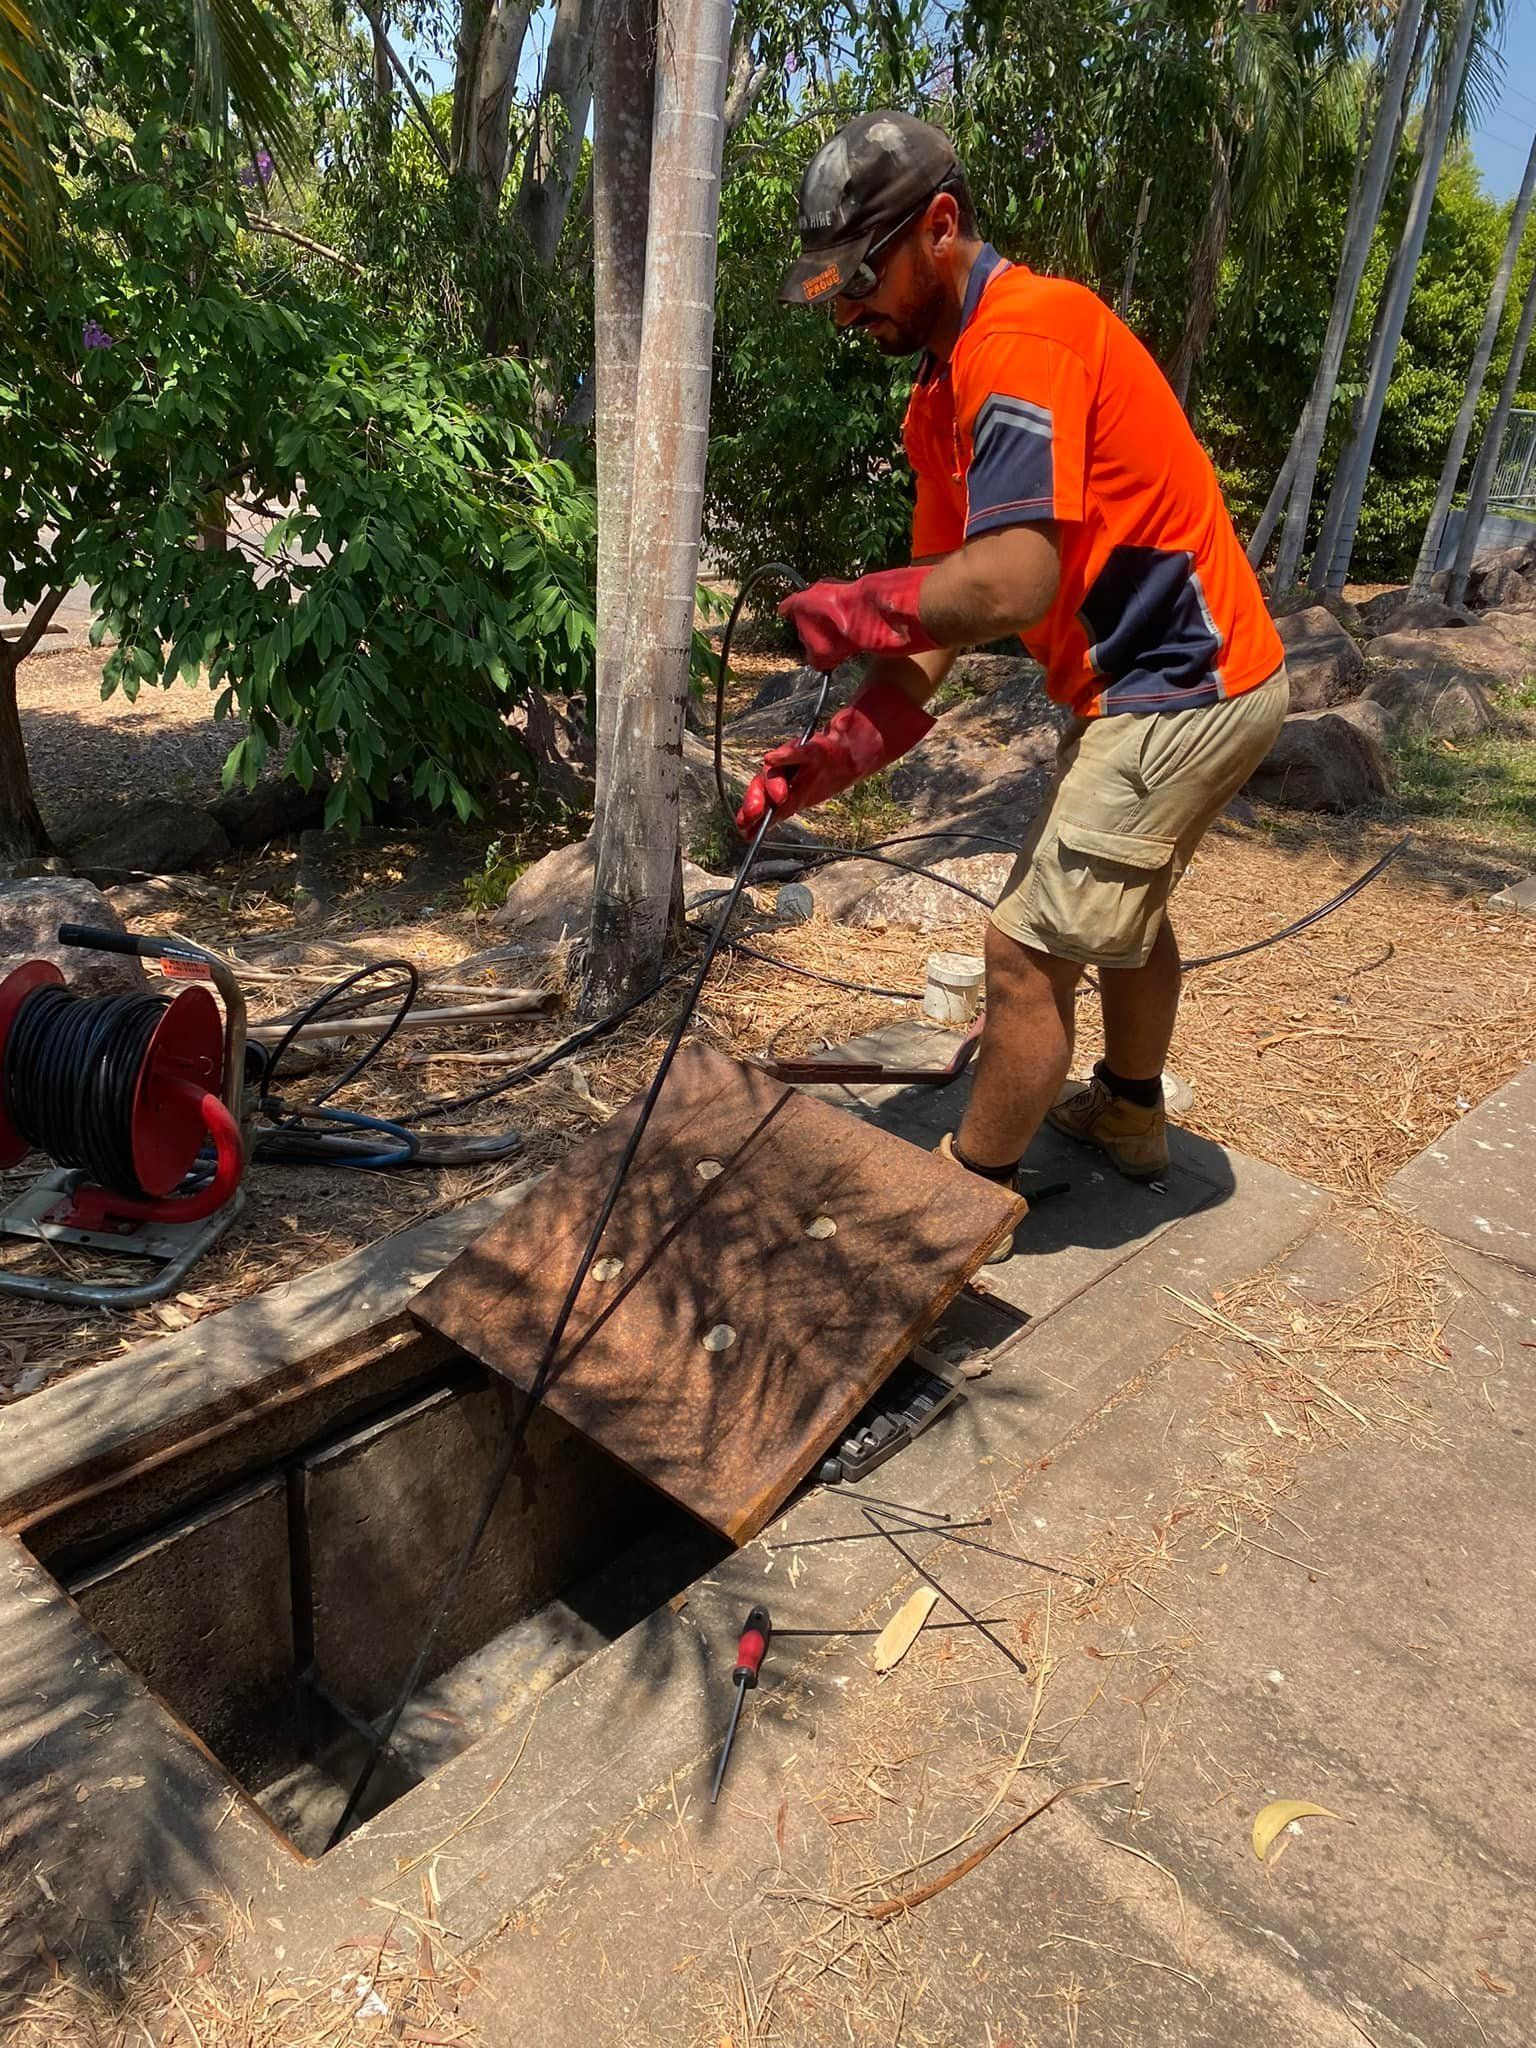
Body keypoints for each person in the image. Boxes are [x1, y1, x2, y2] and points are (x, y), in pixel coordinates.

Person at [738, 110, 1287, 1234]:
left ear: (941, 226)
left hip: (1183, 685)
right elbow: (941, 620)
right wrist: (834, 758)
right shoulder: (940, 397)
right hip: (1165, 684)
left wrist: (858, 602)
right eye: (832, 290)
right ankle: (1128, 1112)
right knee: (1118, 914)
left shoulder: (1026, 336)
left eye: (860, 278)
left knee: (1024, 957)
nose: (846, 311)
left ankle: (961, 1202)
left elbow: (1014, 583)